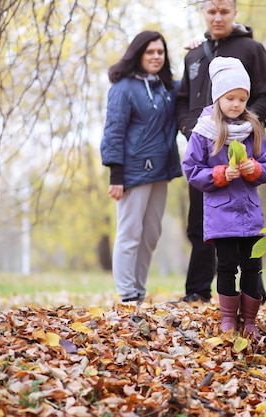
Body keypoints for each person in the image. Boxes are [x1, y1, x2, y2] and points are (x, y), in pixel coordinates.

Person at [175, 0, 266, 304]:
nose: (217, 17)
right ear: (204, 14)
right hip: (204, 147)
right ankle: (196, 290)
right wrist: (189, 128)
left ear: (235, 13)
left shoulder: (252, 49)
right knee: (201, 221)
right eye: (211, 11)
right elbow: (181, 100)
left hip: (241, 148)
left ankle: (253, 290)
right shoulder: (194, 54)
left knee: (244, 221)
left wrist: (244, 124)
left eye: (224, 11)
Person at [182, 57, 266, 337]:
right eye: (230, 98)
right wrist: (220, 174)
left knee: (252, 267)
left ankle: (249, 321)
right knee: (225, 267)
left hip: (249, 213)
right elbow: (192, 169)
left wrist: (255, 169)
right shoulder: (204, 131)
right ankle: (227, 320)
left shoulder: (253, 129)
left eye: (242, 99)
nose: (236, 104)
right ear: (218, 97)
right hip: (221, 214)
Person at [100, 31, 182, 303]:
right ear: (138, 55)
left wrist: (198, 50)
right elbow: (113, 131)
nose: (156, 57)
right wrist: (116, 174)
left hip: (161, 170)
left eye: (160, 52)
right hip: (133, 172)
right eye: (150, 52)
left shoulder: (167, 87)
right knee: (130, 233)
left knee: (151, 235)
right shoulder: (123, 88)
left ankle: (138, 291)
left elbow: (198, 83)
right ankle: (126, 296)